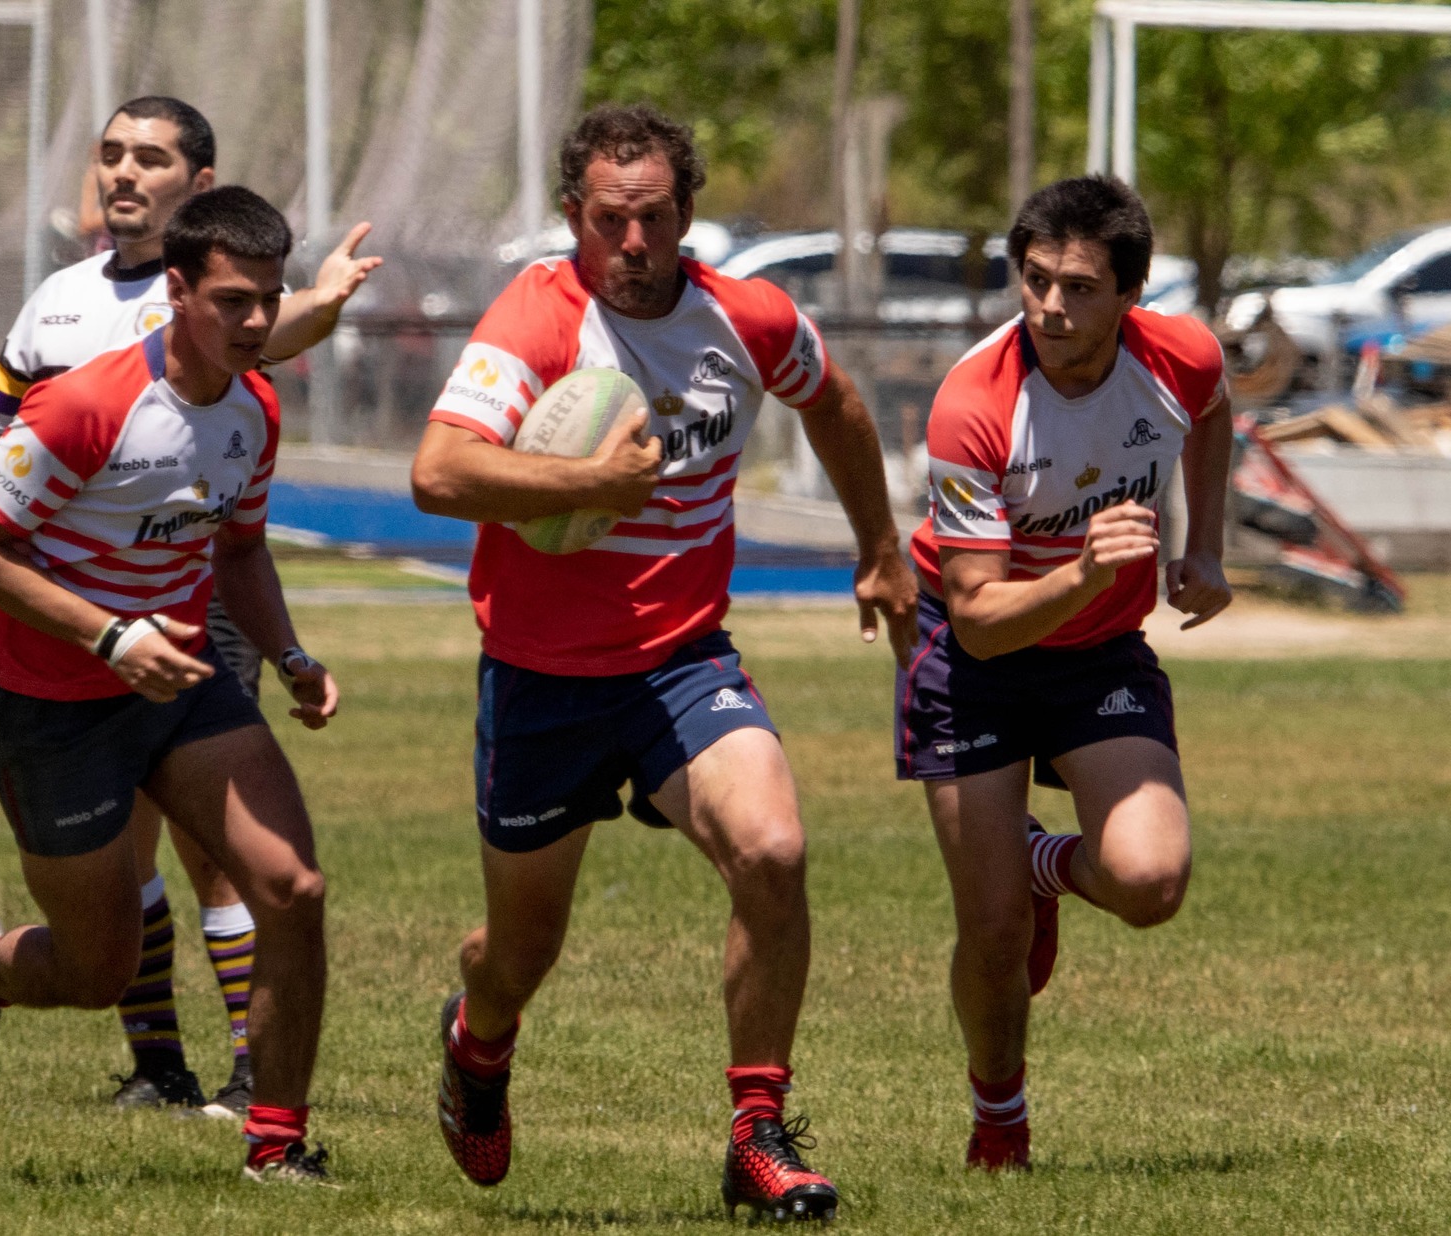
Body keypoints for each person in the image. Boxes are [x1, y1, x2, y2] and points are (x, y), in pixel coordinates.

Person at [410, 104, 917, 1221]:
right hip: (542, 675)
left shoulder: (748, 317)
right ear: (572, 217)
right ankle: (477, 1043)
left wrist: (881, 549)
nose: (631, 244)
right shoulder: (536, 318)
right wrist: (589, 485)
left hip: (683, 663)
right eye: (608, 220)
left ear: (686, 213)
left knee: (772, 850)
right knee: (520, 953)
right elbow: (439, 473)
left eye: (652, 219)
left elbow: (832, 400)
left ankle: (757, 1135)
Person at [0, 95, 379, 1117]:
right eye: (111, 154)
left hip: (187, 609)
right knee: (110, 908)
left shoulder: (236, 329)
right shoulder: (62, 309)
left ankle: (262, 1100)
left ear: (198, 185)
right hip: (65, 644)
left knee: (251, 866)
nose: (123, 173)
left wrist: (290, 652)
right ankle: (146, 1057)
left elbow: (268, 347)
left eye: (150, 158)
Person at [0, 186, 339, 1183]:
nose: (257, 323)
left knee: (292, 888)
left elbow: (238, 552)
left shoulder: (254, 407)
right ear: (177, 293)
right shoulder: (83, 405)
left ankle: (275, 1144)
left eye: (270, 299)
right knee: (94, 970)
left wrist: (289, 656)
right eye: (234, 301)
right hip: (52, 709)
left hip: (182, 690)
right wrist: (110, 637)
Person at [897, 175, 1232, 1171]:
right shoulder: (973, 406)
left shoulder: (1179, 358)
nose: (1049, 306)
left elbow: (1214, 412)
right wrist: (1082, 571)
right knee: (992, 930)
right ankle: (998, 1117)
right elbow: (978, 621)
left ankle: (1046, 864)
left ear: (1128, 293)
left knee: (1149, 882)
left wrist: (1204, 547)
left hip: (1098, 654)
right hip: (973, 659)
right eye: (1035, 279)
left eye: (1079, 287)